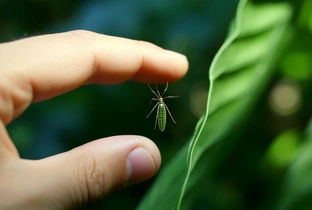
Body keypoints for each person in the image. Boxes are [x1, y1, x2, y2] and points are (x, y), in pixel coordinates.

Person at [0, 30, 188, 209]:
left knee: (162, 115)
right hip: (160, 110)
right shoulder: (159, 100)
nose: (160, 97)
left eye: (160, 96)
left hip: (162, 110)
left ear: (161, 98)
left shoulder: (161, 103)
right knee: (159, 116)